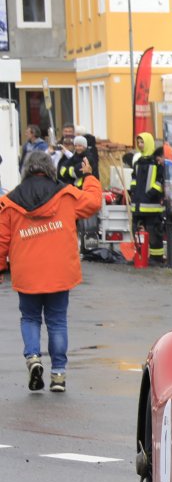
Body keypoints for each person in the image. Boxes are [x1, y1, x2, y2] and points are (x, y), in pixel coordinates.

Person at [0, 150, 103, 393]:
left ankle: (33, 357)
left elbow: (2, 240)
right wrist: (89, 177)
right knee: (57, 321)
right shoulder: (66, 194)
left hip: (27, 273)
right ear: (50, 169)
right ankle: (58, 374)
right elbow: (93, 202)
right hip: (59, 271)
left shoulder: (10, 202)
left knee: (30, 318)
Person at [127, 132, 168, 263]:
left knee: (154, 234)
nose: (140, 145)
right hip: (138, 205)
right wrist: (133, 190)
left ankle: (156, 258)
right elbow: (134, 178)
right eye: (138, 142)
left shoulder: (156, 163)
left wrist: (151, 193)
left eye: (142, 142)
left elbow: (160, 180)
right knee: (138, 233)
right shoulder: (138, 162)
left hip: (152, 207)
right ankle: (141, 256)